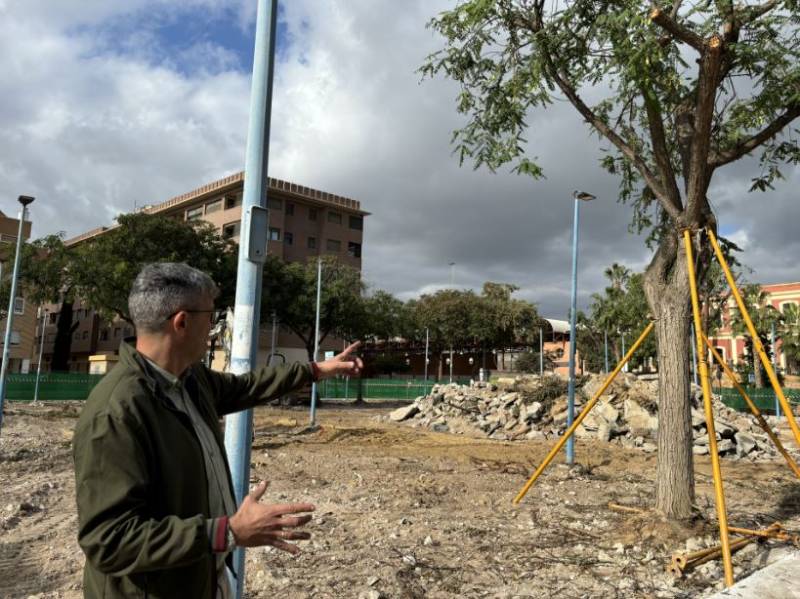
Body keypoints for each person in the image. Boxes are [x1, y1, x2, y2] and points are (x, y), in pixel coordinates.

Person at [73, 262, 362, 598]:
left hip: (201, 578)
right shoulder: (116, 413)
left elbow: (246, 387)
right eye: (211, 318)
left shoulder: (190, 380)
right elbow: (109, 540)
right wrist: (227, 532)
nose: (213, 329)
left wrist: (315, 370)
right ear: (182, 322)